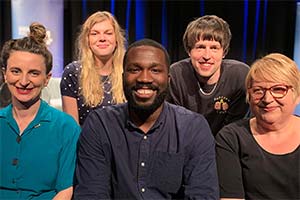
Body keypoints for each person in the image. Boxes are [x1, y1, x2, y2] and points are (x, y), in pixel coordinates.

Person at [74, 39, 219, 199]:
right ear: (123, 78)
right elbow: (91, 194)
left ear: (168, 80)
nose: (144, 78)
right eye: (135, 70)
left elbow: (202, 195)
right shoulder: (100, 125)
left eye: (155, 70)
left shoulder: (193, 128)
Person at [0, 22, 80, 199]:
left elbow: (66, 191)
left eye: (34, 73)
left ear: (47, 79)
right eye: (16, 71)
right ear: (4, 74)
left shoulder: (66, 128)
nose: (23, 81)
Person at [216, 53, 300, 199]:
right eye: (258, 90)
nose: (267, 99)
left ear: (297, 94)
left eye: (278, 89)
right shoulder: (231, 138)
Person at [167, 15, 250, 136]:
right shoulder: (176, 74)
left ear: (224, 52)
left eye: (214, 48)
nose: (207, 56)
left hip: (225, 145)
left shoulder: (239, 76)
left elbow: (235, 130)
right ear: (189, 51)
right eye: (200, 47)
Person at [60, 11, 126, 125]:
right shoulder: (73, 72)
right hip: (86, 141)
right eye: (95, 33)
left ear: (116, 40)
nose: (102, 38)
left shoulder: (128, 71)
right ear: (87, 40)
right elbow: (72, 128)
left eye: (108, 33)